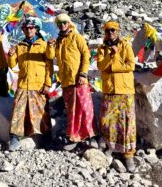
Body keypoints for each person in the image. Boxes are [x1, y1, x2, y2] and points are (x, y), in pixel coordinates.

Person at [46, 13, 97, 150]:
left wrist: (83, 73)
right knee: (72, 110)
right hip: (66, 81)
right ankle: (75, 136)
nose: (62, 25)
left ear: (69, 23)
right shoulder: (58, 40)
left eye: (64, 22)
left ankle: (90, 136)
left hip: (79, 79)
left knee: (85, 108)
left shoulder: (77, 37)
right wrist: (50, 46)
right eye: (59, 23)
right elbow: (51, 56)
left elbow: (86, 55)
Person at [7, 16, 53, 151]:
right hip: (23, 83)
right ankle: (15, 137)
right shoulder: (20, 46)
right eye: (26, 28)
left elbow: (49, 62)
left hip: (38, 84)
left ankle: (46, 138)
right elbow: (12, 64)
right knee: (18, 111)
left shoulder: (43, 45)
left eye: (31, 28)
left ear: (36, 29)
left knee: (41, 112)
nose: (28, 30)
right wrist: (10, 55)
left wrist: (47, 84)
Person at [97, 21, 136, 172]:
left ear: (118, 31)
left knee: (127, 122)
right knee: (109, 121)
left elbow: (130, 65)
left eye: (113, 30)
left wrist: (116, 58)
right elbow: (101, 66)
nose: (110, 33)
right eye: (108, 31)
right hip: (110, 90)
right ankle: (111, 147)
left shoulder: (125, 46)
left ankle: (128, 155)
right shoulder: (101, 49)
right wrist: (110, 56)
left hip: (125, 90)